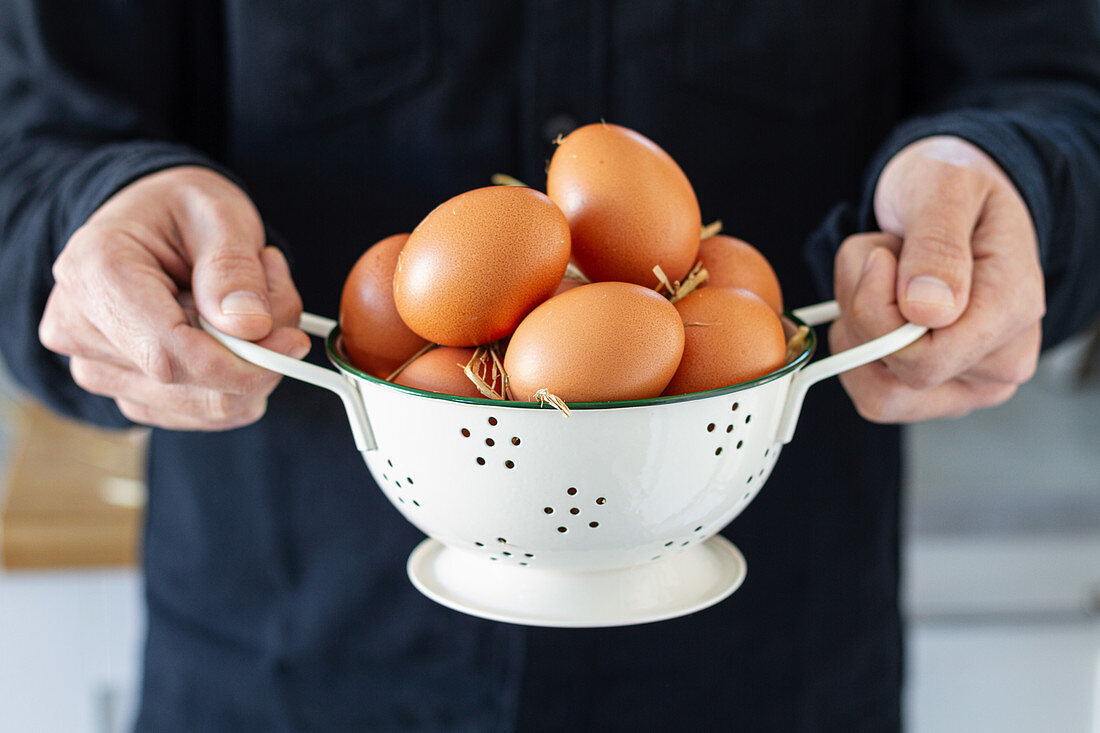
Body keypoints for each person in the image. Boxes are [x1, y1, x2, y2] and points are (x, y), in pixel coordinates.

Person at [1, 1, 1098, 730]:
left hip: (768, 672)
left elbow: (1053, 80)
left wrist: (995, 180)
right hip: (286, 666)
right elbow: (31, 136)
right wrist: (95, 219)